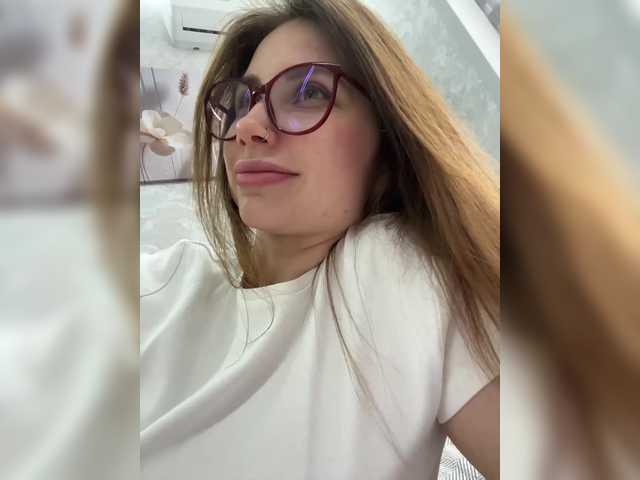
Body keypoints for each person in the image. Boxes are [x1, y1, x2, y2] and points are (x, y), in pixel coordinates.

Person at [140, 1, 499, 478]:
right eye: (242, 102)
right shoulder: (166, 282)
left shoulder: (393, 271)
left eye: (309, 92)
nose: (246, 127)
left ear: (389, 148)